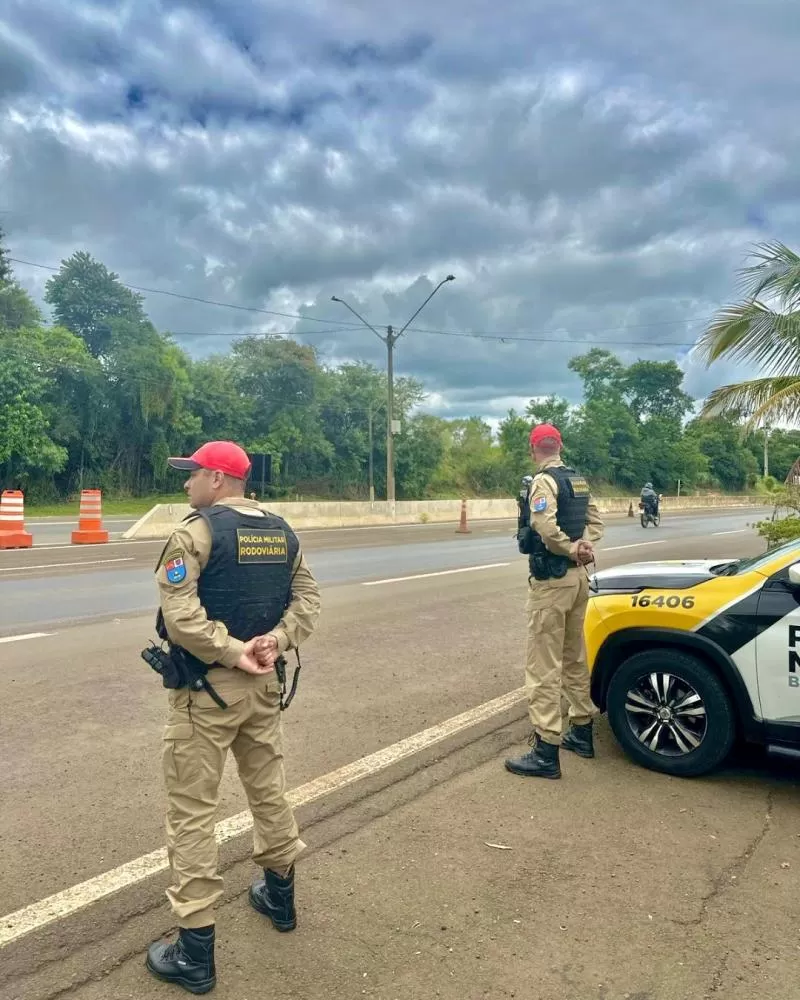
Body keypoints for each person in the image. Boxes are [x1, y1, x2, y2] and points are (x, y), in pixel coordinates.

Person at [145, 440, 321, 994]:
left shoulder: (196, 532)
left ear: (218, 479)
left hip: (209, 690)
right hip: (264, 682)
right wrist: (275, 640)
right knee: (267, 787)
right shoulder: (281, 531)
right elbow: (308, 597)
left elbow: (180, 614)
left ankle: (195, 952)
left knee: (193, 810)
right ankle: (280, 897)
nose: (185, 484)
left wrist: (229, 650)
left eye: (192, 473)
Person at [505, 423, 605, 780]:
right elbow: (596, 521)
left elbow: (544, 526)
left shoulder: (543, 482)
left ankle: (546, 750)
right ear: (559, 446)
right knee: (574, 656)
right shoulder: (577, 480)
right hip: (579, 580)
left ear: (535, 451)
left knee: (543, 665)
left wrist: (568, 547)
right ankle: (580, 730)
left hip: (553, 581)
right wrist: (584, 545)